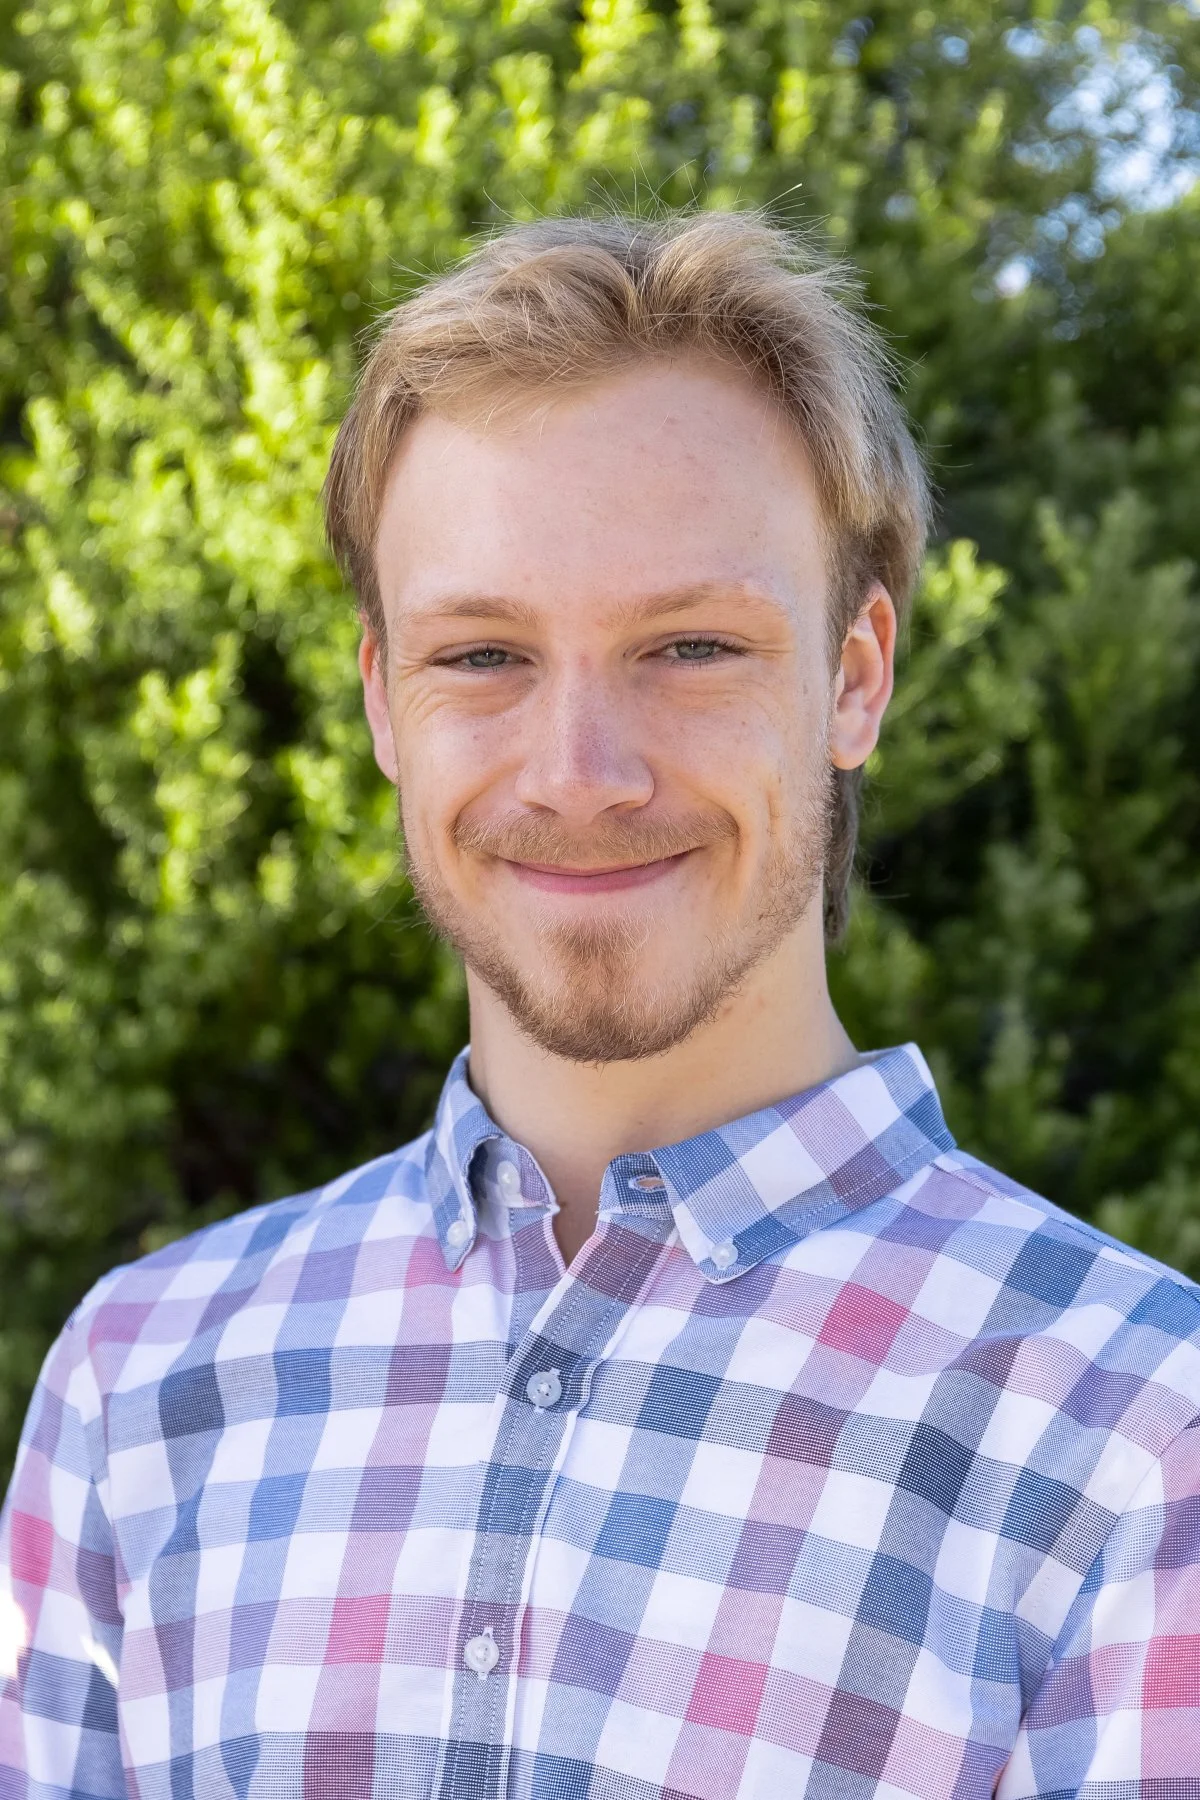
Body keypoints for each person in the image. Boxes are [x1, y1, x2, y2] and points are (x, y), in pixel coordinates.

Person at [2, 212, 1198, 1800]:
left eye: (690, 645)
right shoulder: (141, 1386)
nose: (580, 773)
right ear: (380, 700)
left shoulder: (1138, 1440)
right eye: (484, 654)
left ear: (856, 678)